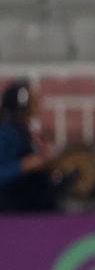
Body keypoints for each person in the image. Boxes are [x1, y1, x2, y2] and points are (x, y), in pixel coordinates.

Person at [0, 79, 56, 212]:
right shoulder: (6, 133)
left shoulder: (26, 131)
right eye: (34, 101)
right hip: (11, 204)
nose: (39, 104)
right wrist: (24, 165)